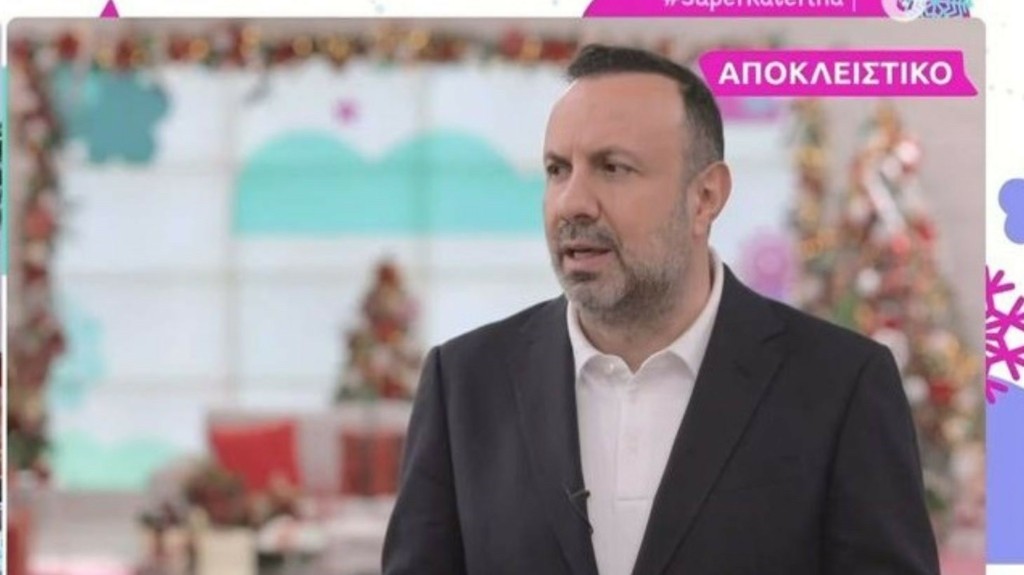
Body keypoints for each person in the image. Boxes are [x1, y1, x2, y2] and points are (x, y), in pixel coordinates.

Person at [382, 43, 939, 575]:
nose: (572, 202)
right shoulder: (465, 384)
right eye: (557, 169)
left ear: (705, 197)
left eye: (613, 167)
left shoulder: (841, 385)